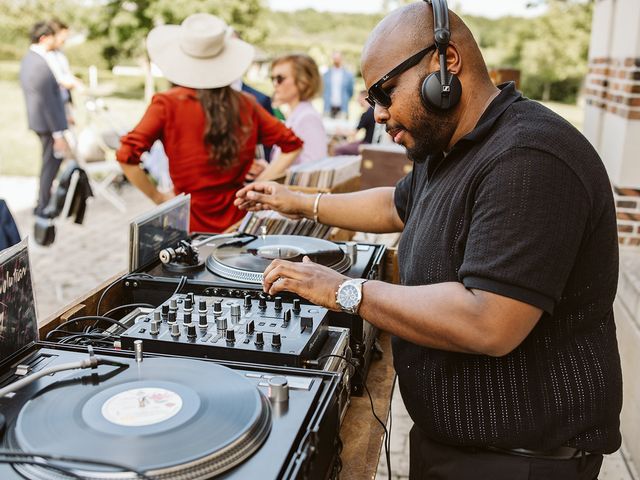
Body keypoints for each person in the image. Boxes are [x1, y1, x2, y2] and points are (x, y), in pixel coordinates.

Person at [235, 1, 622, 479]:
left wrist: (342, 291)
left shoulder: (529, 159)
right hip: (461, 444)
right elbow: (394, 205)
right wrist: (295, 200)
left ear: (447, 62)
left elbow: (489, 321)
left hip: (517, 462)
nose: (378, 114)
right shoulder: (450, 144)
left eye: (385, 93)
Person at [116, 14, 303, 233]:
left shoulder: (167, 104)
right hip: (239, 222)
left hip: (187, 221)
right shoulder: (246, 104)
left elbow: (126, 155)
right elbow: (293, 144)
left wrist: (158, 197)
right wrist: (257, 185)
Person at [19, 21, 70, 218]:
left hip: (41, 122)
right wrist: (58, 133)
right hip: (48, 124)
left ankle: (43, 202)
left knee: (49, 163)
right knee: (50, 164)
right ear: (43, 38)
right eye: (51, 37)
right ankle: (43, 206)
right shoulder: (39, 63)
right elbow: (48, 101)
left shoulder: (30, 59)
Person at [270, 54, 328, 166]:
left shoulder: (308, 118)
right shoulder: (296, 114)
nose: (275, 84)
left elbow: (313, 171)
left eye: (280, 79)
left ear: (303, 82)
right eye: (272, 78)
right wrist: (267, 168)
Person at [47, 19, 83, 126]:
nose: (65, 41)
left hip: (65, 99)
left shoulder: (60, 53)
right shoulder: (47, 55)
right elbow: (60, 79)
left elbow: (66, 73)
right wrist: (77, 85)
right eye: (63, 37)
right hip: (55, 102)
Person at [332, 90, 376, 155]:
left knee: (337, 149)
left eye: (359, 98)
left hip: (368, 145)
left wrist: (340, 131)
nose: (357, 101)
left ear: (364, 98)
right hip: (372, 142)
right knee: (348, 145)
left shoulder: (367, 114)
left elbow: (353, 133)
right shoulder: (374, 111)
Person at [322, 51, 354, 118]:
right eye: (335, 58)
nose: (336, 60)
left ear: (341, 59)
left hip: (342, 109)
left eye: (338, 58)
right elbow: (323, 90)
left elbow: (350, 92)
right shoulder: (326, 75)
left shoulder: (348, 75)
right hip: (328, 108)